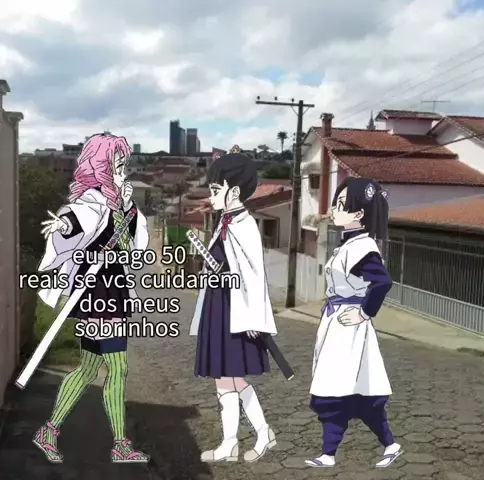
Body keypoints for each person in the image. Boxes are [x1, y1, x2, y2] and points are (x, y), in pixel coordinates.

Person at [32, 133, 150, 464]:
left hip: (113, 290)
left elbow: (132, 248)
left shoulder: (120, 204)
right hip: (98, 292)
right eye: (117, 163)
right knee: (118, 366)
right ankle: (119, 444)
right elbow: (76, 219)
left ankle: (50, 431)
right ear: (101, 165)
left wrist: (127, 207)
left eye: (124, 164)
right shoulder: (93, 200)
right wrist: (63, 226)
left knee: (89, 367)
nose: (122, 170)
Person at [305, 177, 403, 468]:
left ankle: (343, 451)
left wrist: (364, 313)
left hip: (350, 327)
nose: (333, 210)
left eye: (340, 205)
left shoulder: (363, 247)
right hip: (337, 323)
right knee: (341, 390)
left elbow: (382, 282)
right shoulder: (349, 244)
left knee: (344, 390)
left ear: (359, 214)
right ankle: (334, 452)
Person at [190, 145, 278, 463]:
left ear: (235, 191)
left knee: (234, 378)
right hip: (219, 309)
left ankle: (260, 434)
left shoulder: (245, 226)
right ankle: (232, 443)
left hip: (235, 312)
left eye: (216, 189)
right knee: (224, 379)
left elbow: (253, 277)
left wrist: (254, 319)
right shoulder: (224, 222)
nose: (211, 196)